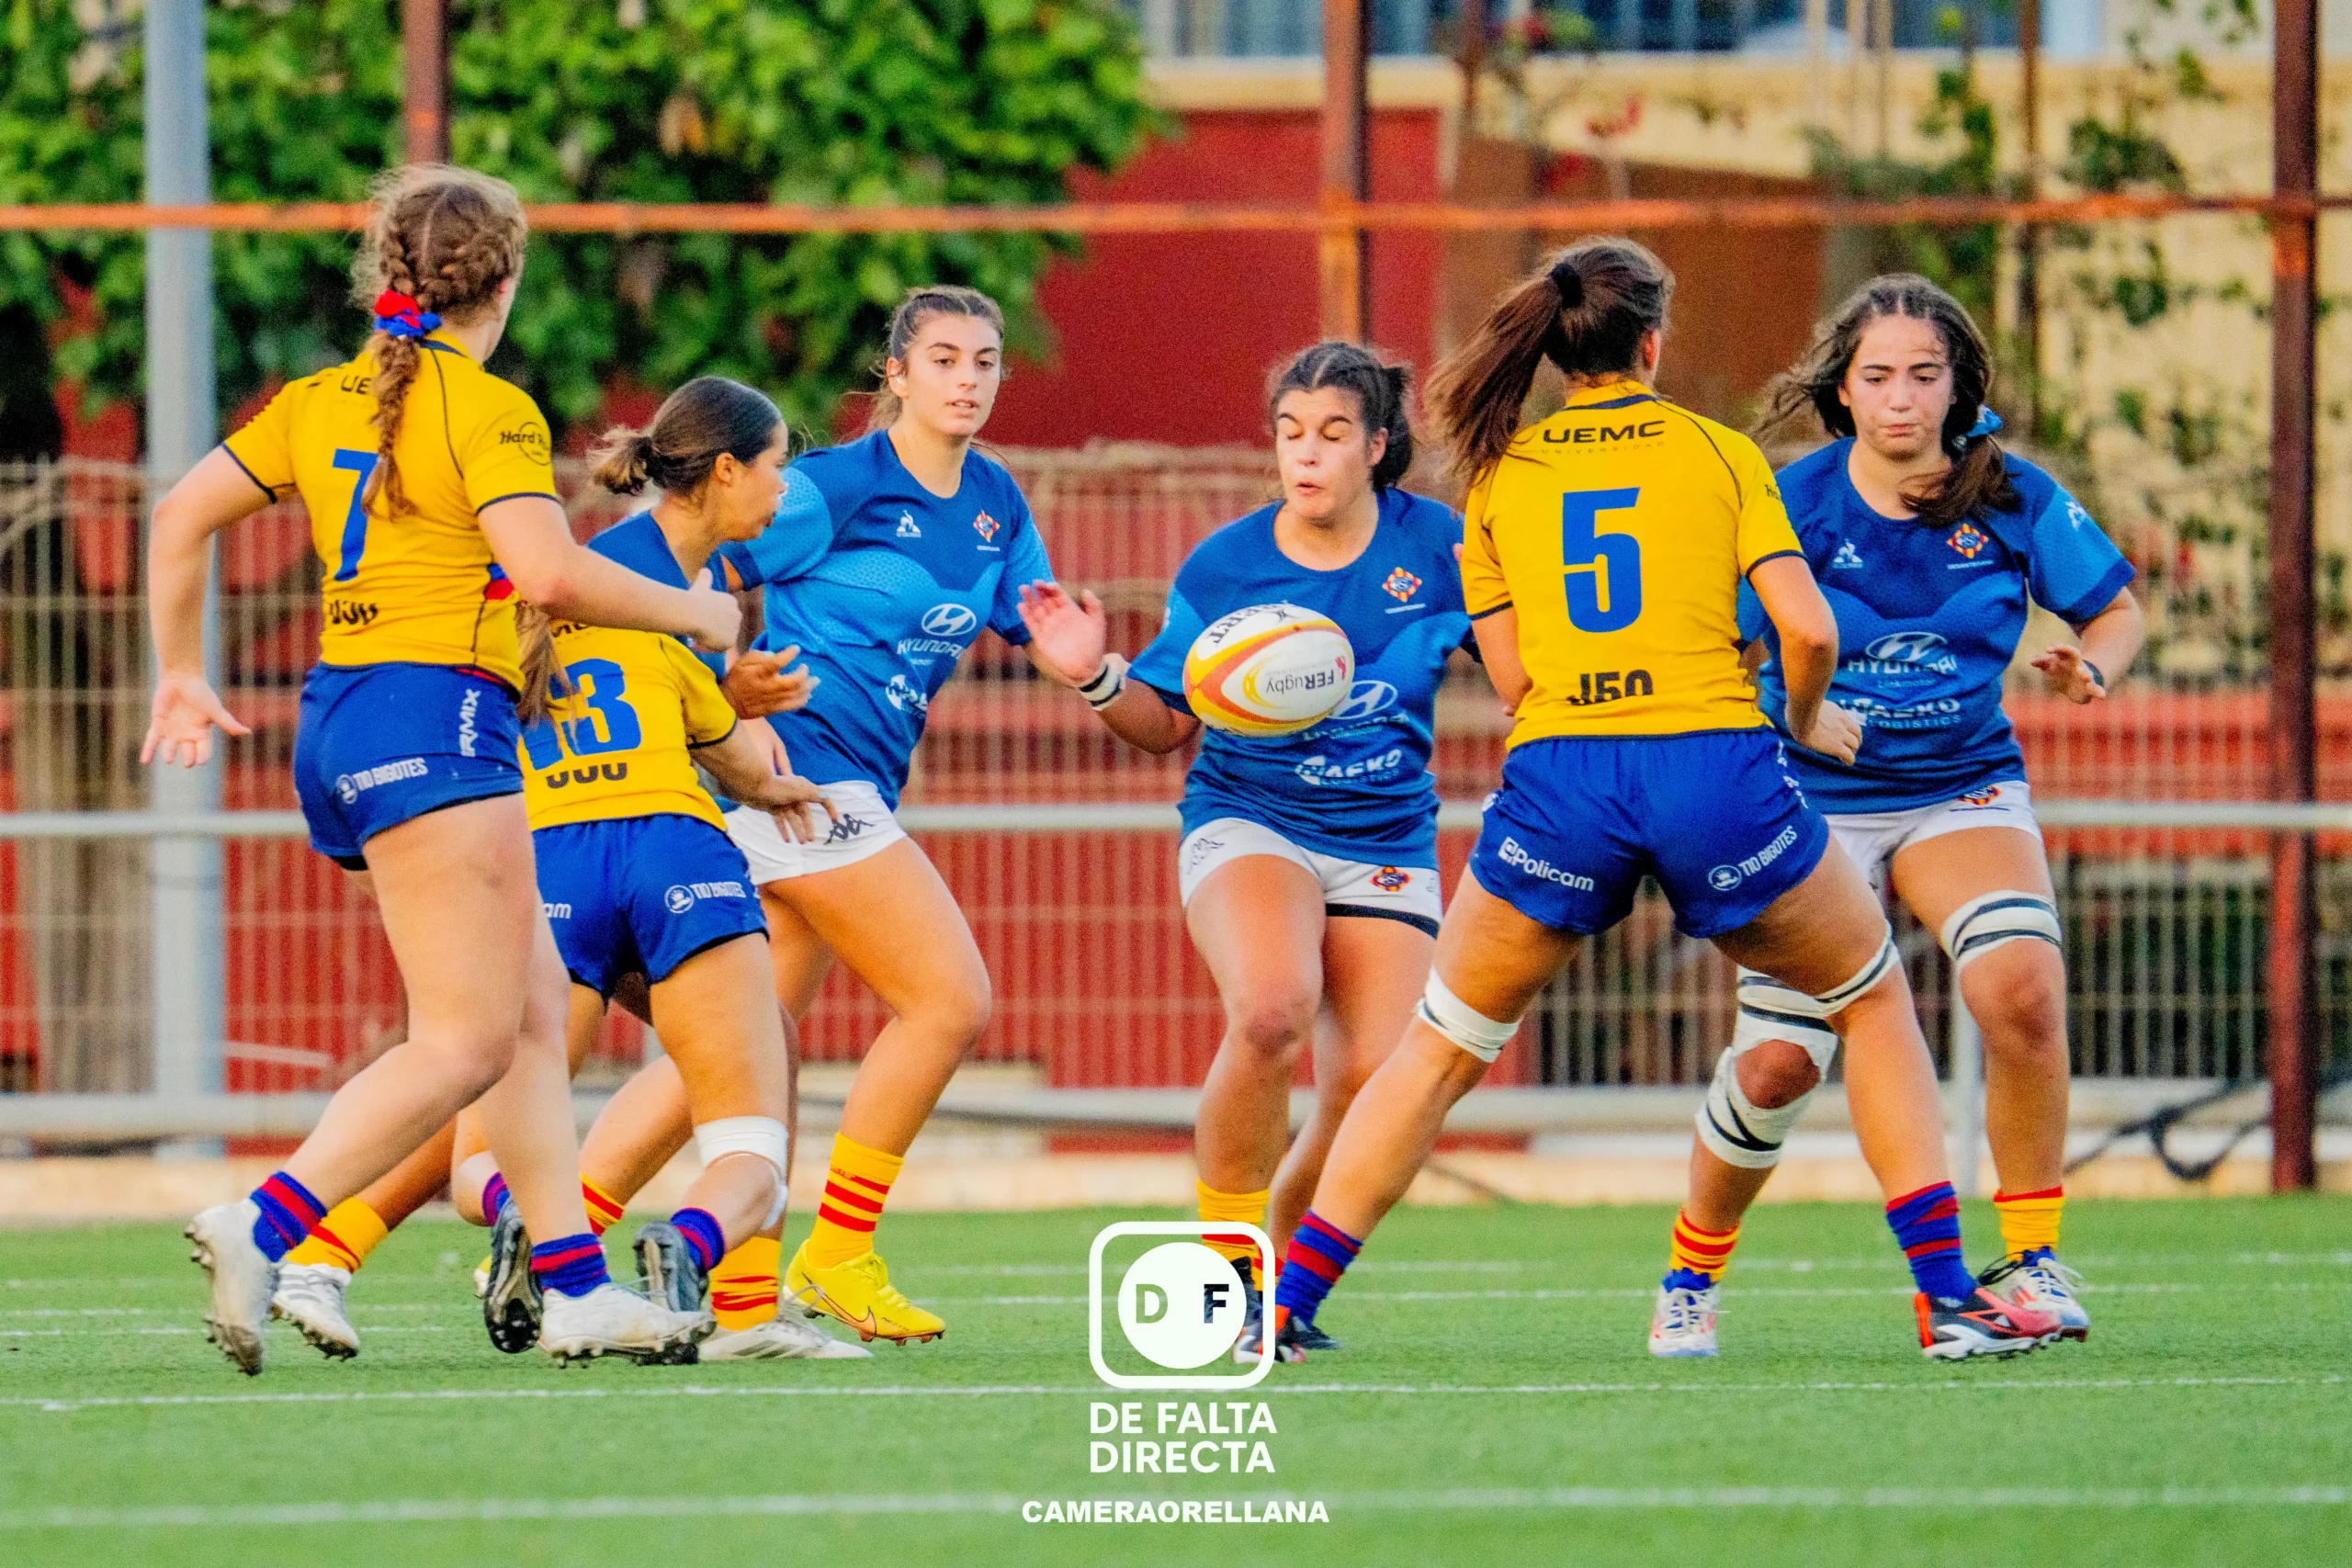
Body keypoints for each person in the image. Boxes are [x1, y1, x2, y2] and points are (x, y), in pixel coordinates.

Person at [1262, 238, 2062, 1365]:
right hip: (1711, 770)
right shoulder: (1720, 455)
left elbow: (1511, 683)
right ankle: (1945, 1297)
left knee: (1439, 1051)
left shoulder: (1498, 478)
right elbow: (1810, 630)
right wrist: (1794, 715)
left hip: (1563, 780)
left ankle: (1286, 1307)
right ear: (1651, 341)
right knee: (1870, 1000)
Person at [147, 164, 729, 1371]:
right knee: (466, 1038)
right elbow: (553, 573)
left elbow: (179, 515)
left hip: (350, 713)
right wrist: (695, 615)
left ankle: (573, 1285)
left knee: (522, 1013)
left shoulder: (320, 397)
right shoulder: (484, 405)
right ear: (502, 279)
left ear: (389, 275)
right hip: (436, 719)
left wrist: (179, 670)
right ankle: (264, 1219)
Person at [268, 379, 860, 1363]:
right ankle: (681, 1269)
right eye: (774, 467)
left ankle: (666, 1284)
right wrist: (751, 741)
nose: (785, 489)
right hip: (665, 847)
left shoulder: (602, 593)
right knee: (754, 1112)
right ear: (722, 470)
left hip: (548, 863)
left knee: (480, 1107)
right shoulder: (630, 584)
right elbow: (715, 737)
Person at [1644, 275, 2143, 1357]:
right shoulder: (1790, 501)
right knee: (1779, 1065)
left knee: (2019, 984)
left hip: (1959, 784)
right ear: (1843, 388)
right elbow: (1716, 653)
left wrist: (2090, 668)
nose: (1902, 397)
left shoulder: (2011, 495)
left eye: (1925, 374)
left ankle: (2033, 1259)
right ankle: (1691, 1269)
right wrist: (1779, 718)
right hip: (1808, 802)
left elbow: (2116, 608)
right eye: (1878, 375)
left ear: (1960, 384)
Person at [584, 286, 1065, 1345]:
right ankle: (840, 1250)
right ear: (894, 375)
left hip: (842, 789)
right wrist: (710, 688)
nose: (968, 379)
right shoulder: (835, 486)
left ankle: (594, 1249)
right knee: (948, 998)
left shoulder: (995, 503)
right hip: (800, 775)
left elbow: (1044, 628)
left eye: (985, 361)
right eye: (942, 359)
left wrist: (1088, 663)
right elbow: (669, 557)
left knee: (747, 1048)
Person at [1017, 342, 1473, 1357]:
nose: (1304, 455)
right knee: (1271, 1011)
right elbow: (1164, 725)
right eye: (1288, 432)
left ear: (1377, 446)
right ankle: (1222, 1277)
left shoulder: (1438, 547)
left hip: (1386, 837)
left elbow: (1531, 666)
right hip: (1249, 819)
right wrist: (1094, 676)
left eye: (1332, 433)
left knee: (1377, 1085)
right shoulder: (1225, 564)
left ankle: (1284, 1282)